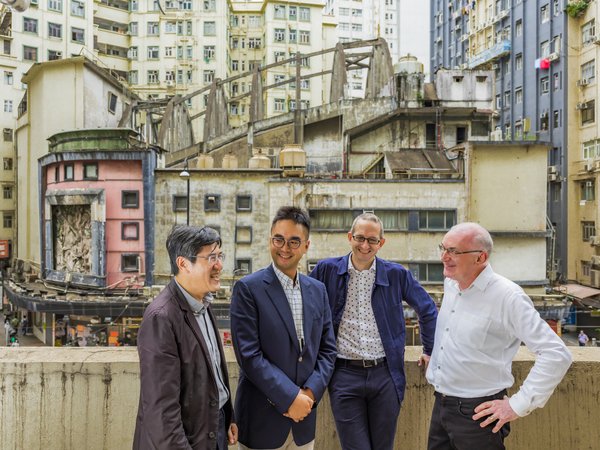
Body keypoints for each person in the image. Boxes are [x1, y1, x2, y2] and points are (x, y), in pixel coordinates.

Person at [426, 222, 573, 450]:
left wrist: (516, 405)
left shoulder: (508, 297)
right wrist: (436, 361)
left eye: (454, 251)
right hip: (441, 404)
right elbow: (453, 336)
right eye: (443, 248)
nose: (444, 257)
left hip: (478, 413)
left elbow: (556, 353)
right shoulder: (452, 284)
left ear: (480, 257)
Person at [310, 212, 438, 450]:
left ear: (381, 243)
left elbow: (428, 309)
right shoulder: (326, 270)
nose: (365, 245)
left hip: (385, 375)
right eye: (359, 238)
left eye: (372, 240)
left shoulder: (396, 274)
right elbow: (306, 310)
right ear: (350, 237)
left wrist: (429, 349)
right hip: (344, 374)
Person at [230, 206, 337, 450]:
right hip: (261, 422)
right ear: (270, 240)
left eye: (293, 241)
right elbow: (249, 356)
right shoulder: (248, 289)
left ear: (306, 246)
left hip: (303, 422)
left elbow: (328, 350)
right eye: (278, 239)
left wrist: (308, 395)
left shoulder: (318, 290)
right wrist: (290, 398)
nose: (284, 248)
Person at [133, 225, 237, 450]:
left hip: (212, 429)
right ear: (183, 264)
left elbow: (213, 373)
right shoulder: (161, 318)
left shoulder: (202, 302)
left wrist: (228, 416)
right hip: (185, 440)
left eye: (220, 256)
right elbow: (161, 412)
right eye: (211, 257)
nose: (219, 265)